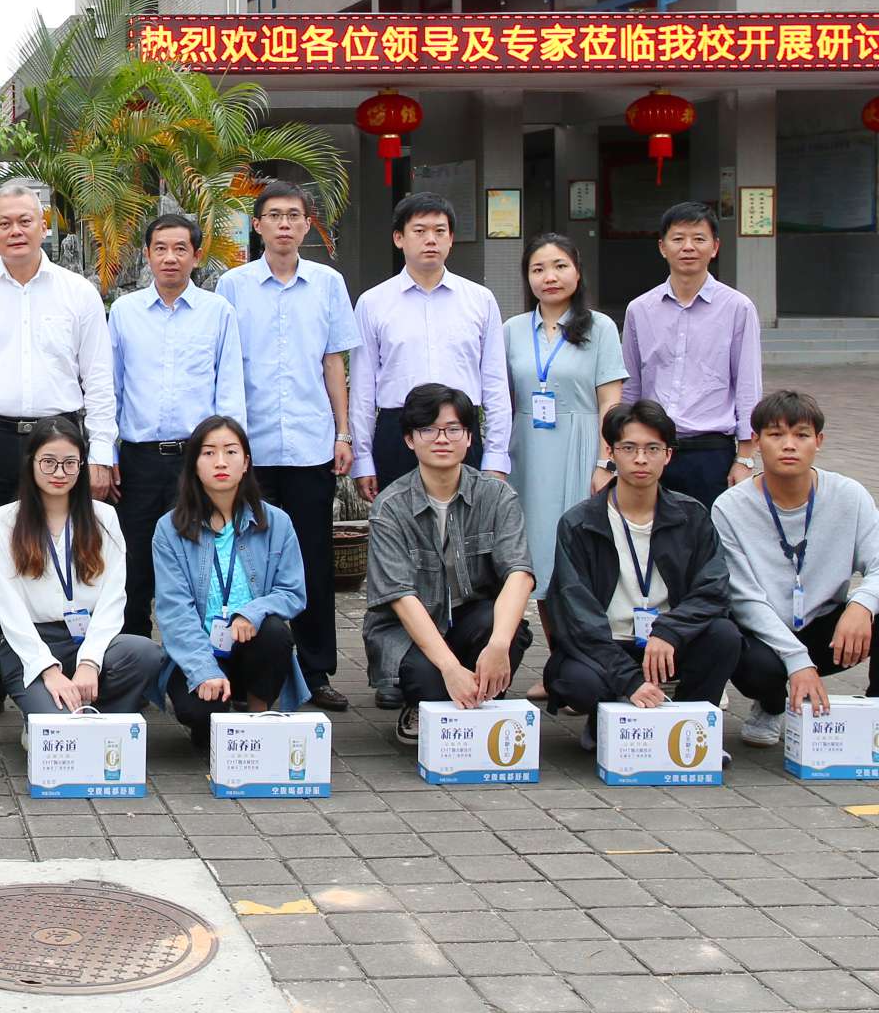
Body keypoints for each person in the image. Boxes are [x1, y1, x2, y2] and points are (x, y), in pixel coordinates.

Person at [0, 178, 116, 727]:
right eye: (4, 223)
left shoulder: (78, 293)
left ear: (44, 226)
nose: (16, 231)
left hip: (60, 441)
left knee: (74, 556)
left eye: (25, 221)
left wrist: (101, 452)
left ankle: (76, 665)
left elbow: (99, 382)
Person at [714, 389, 879, 772]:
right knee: (755, 663)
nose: (789, 446)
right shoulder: (730, 507)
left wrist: (861, 604)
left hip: (826, 627)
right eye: (775, 435)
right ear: (756, 443)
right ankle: (770, 706)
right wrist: (798, 662)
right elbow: (745, 599)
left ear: (818, 442)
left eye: (801, 435)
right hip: (764, 634)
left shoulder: (848, 495)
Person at [216, 180, 359, 711]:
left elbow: (333, 362)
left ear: (306, 225)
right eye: (273, 215)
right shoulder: (233, 285)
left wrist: (343, 432)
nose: (283, 224)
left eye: (293, 215)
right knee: (245, 558)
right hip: (248, 450)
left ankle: (316, 670)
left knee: (313, 559)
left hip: (308, 444)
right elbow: (225, 361)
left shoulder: (327, 284)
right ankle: (247, 663)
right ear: (257, 226)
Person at [540, 401, 742, 746]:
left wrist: (670, 631)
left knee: (724, 636)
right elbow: (575, 613)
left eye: (652, 449)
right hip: (607, 645)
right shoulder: (580, 522)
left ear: (669, 455)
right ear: (611, 452)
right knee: (573, 679)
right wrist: (628, 679)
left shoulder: (691, 515)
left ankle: (690, 726)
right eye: (629, 448)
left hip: (667, 642)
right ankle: (611, 718)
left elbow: (714, 589)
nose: (640, 459)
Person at [362, 384, 534, 746]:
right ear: (410, 440)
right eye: (428, 429)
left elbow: (519, 574)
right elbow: (401, 599)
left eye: (453, 429)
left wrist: (499, 645)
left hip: (469, 620)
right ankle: (424, 702)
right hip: (410, 631)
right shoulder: (390, 507)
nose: (442, 438)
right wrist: (451, 668)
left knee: (505, 627)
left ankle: (480, 699)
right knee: (431, 684)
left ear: (469, 438)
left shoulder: (496, 495)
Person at [110, 211, 244, 641]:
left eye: (180, 248)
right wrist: (106, 455)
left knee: (203, 559)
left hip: (199, 459)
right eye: (161, 248)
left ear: (197, 255)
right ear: (147, 254)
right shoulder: (125, 312)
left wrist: (228, 459)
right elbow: (110, 388)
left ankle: (203, 660)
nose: (170, 258)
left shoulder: (218, 311)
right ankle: (133, 660)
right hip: (139, 460)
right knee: (135, 567)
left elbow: (230, 390)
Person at [0, 417, 163, 732]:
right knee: (56, 727)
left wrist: (89, 663)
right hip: (32, 643)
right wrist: (48, 670)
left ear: (82, 466)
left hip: (87, 637)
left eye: (69, 463)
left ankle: (97, 715)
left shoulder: (104, 517)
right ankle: (51, 716)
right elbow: (8, 607)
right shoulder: (2, 522)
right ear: (31, 463)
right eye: (49, 462)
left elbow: (113, 598)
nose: (59, 473)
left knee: (144, 653)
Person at [506, 233, 627, 693]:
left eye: (559, 266)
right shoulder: (512, 329)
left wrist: (605, 461)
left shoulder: (600, 328)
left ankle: (591, 661)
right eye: (538, 269)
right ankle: (559, 664)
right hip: (528, 453)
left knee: (580, 558)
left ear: (577, 271)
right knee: (537, 556)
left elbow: (610, 401)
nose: (549, 277)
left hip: (581, 448)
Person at [152, 416, 312, 750]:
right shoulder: (170, 529)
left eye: (230, 451)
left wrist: (252, 612)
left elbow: (292, 593)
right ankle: (214, 713)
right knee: (198, 712)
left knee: (274, 632)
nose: (220, 462)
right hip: (200, 649)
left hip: (251, 644)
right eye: (208, 453)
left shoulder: (276, 522)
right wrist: (202, 670)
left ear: (246, 463)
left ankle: (258, 715)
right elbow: (173, 612)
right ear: (194, 464)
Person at [350, 192, 511, 506]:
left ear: (451, 239)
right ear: (399, 238)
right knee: (401, 536)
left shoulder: (480, 300)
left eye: (440, 231)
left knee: (467, 536)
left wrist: (495, 456)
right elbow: (362, 389)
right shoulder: (373, 303)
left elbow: (495, 384)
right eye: (419, 231)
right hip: (397, 435)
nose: (430, 240)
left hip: (461, 431)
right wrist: (363, 459)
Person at [622, 202, 765, 506]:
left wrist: (746, 458)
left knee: (708, 542)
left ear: (715, 247)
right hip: (651, 449)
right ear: (662, 247)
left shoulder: (738, 308)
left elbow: (747, 386)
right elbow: (630, 386)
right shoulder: (640, 310)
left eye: (699, 239)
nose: (688, 247)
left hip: (710, 453)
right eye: (678, 238)